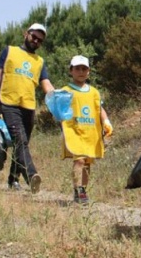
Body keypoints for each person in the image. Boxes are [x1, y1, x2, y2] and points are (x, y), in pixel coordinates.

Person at [0, 23, 55, 193]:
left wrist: (57, 97)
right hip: (8, 103)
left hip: (28, 106)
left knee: (21, 143)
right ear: (25, 34)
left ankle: (13, 179)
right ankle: (31, 175)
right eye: (33, 36)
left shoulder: (39, 62)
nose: (36, 41)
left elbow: (46, 84)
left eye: (40, 40)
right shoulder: (10, 51)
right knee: (20, 140)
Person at [59, 55, 113, 204]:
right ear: (71, 71)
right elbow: (58, 109)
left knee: (87, 163)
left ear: (88, 72)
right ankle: (78, 190)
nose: (81, 71)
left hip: (90, 133)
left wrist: (106, 122)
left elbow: (99, 108)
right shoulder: (65, 91)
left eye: (84, 68)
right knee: (79, 161)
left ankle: (83, 189)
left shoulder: (94, 92)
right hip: (74, 132)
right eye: (77, 68)